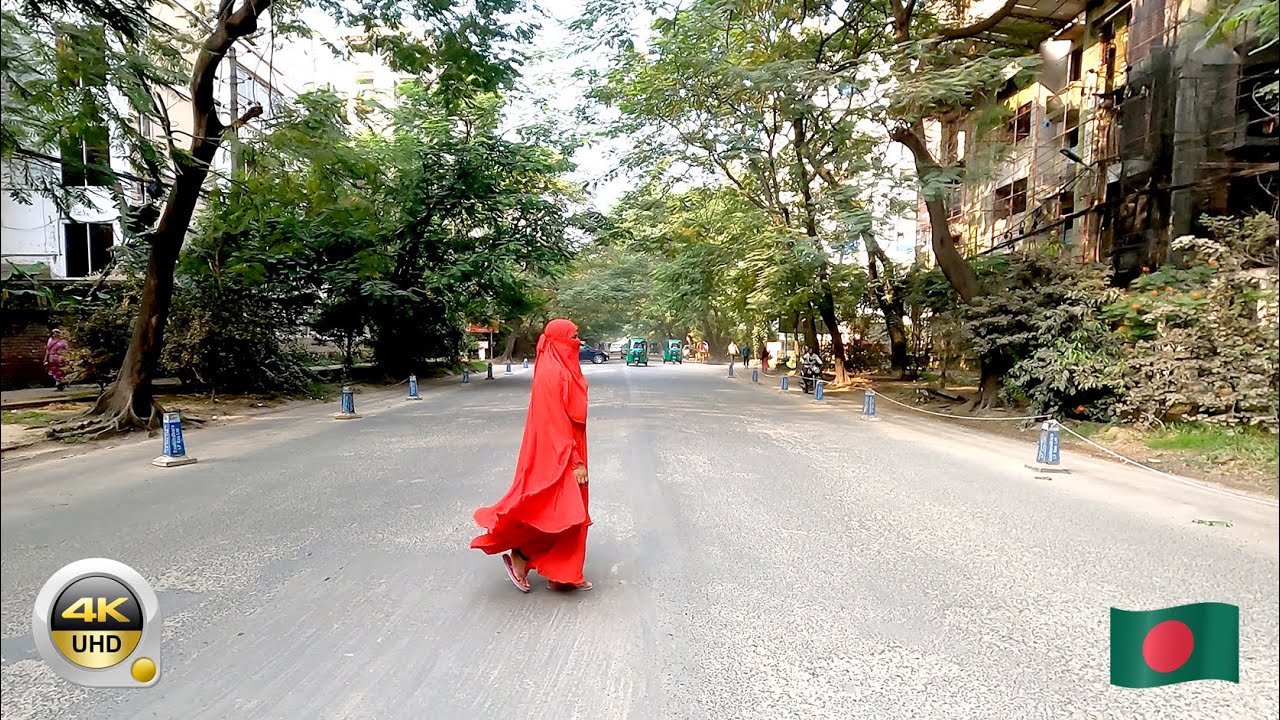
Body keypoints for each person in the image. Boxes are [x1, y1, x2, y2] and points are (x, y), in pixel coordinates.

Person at [470, 319, 593, 593]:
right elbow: (556, 422)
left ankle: (562, 572)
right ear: (559, 339)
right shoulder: (552, 371)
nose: (578, 341)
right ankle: (521, 557)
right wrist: (575, 462)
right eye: (573, 336)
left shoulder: (561, 366)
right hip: (559, 454)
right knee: (557, 512)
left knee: (565, 511)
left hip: (564, 448)